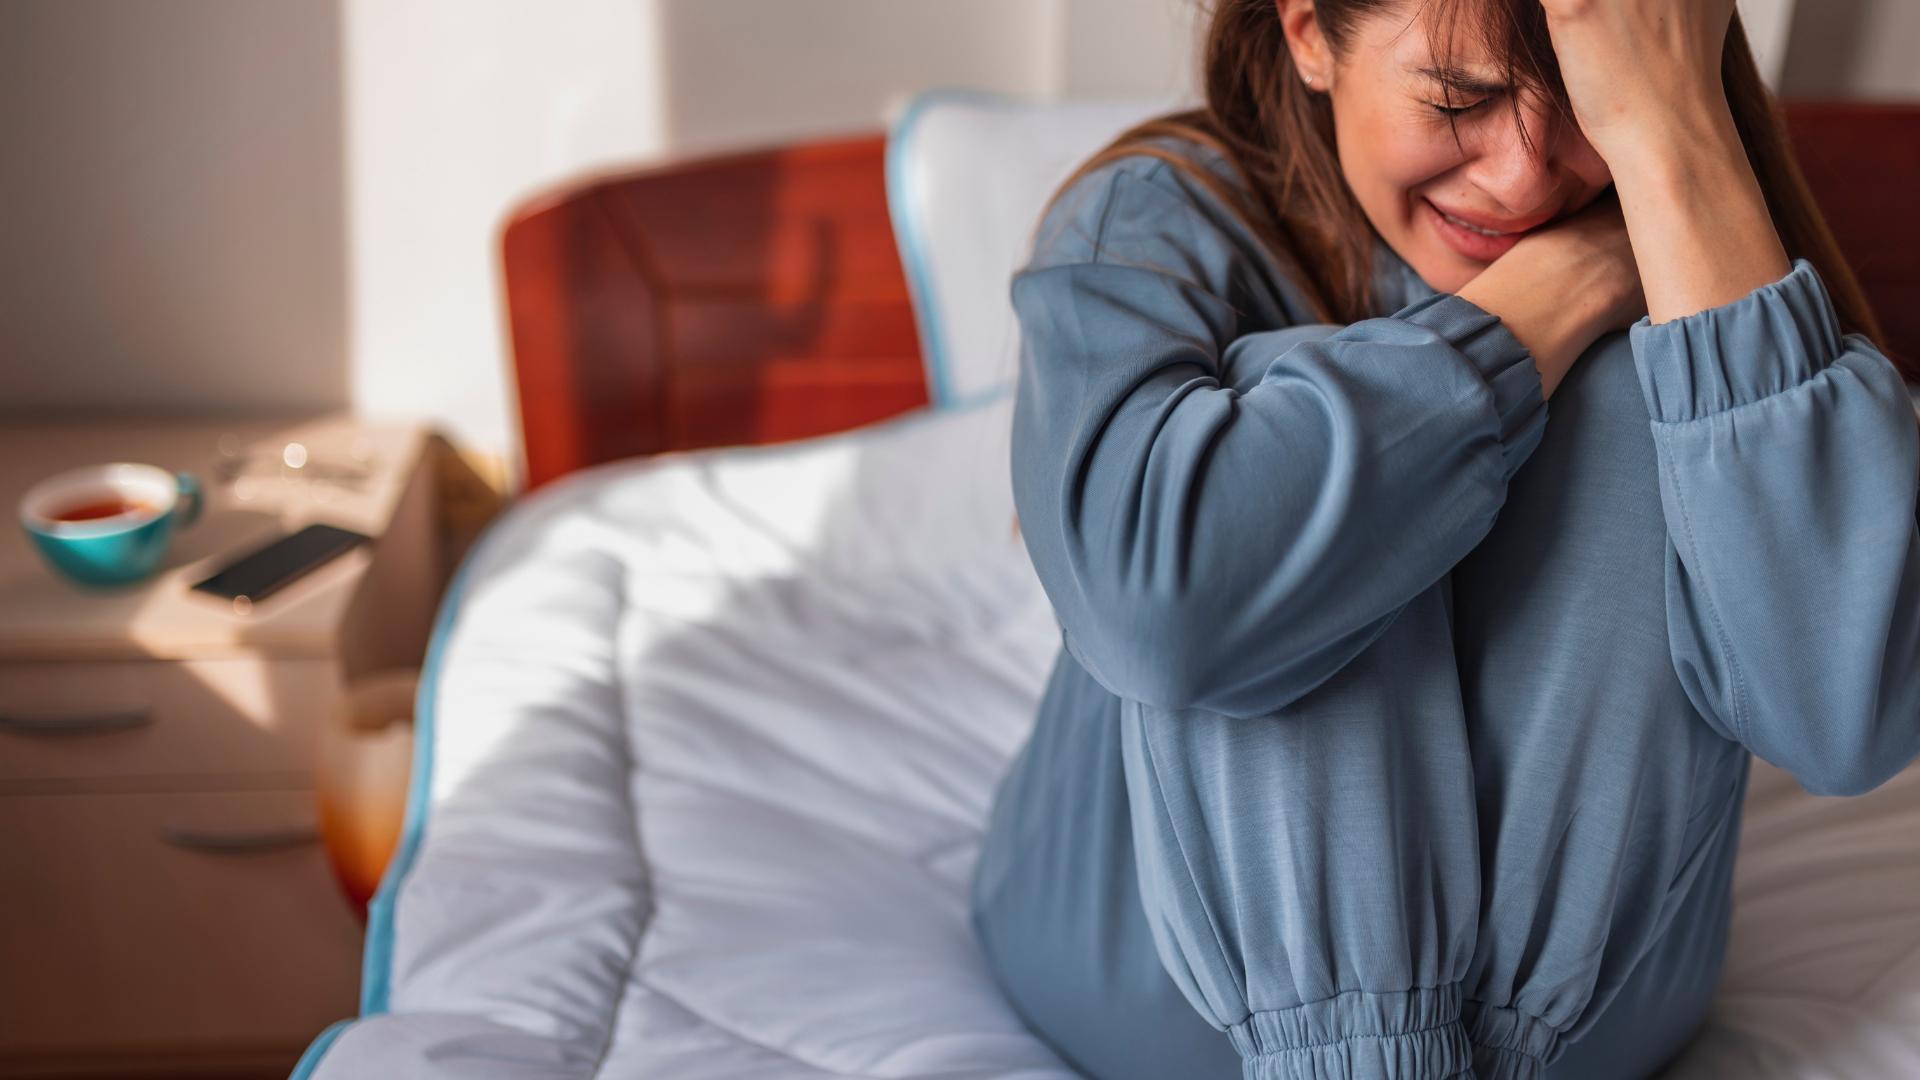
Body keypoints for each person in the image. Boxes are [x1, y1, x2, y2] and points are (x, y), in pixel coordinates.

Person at [971, 0, 1920, 1078]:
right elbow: (1164, 604)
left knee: (1630, 399)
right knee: (1265, 459)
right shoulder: (1153, 221)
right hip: (1137, 977)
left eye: (1588, 107)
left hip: (1582, 1023)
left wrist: (1671, 136)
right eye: (1457, 100)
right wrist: (1547, 299)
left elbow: (1850, 716)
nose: (1523, 177)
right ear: (1306, 32)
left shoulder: (1691, 226)